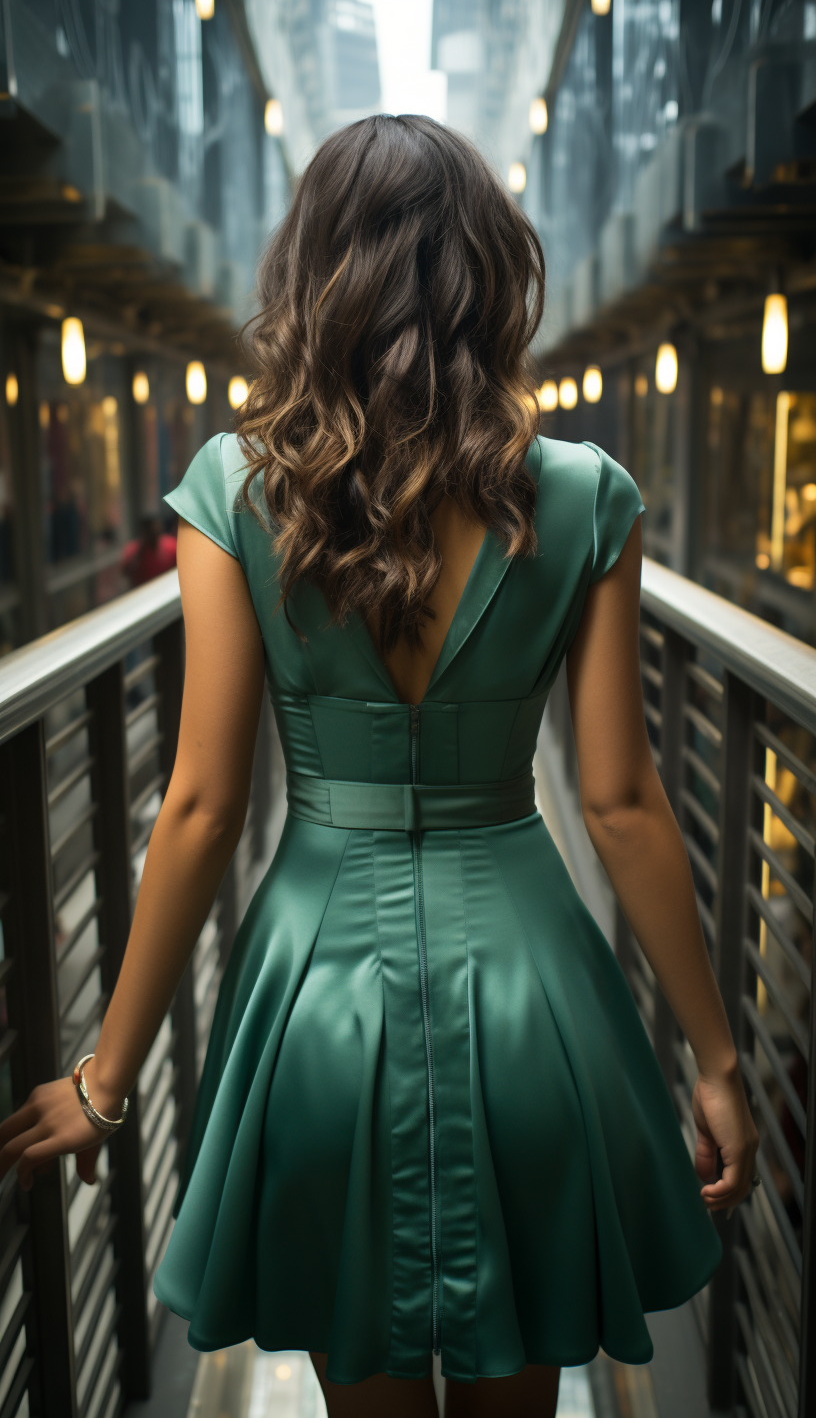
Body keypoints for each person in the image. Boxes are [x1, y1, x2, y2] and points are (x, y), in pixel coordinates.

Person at [0, 115, 758, 1418]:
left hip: (317, 1003)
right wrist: (715, 1059)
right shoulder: (581, 494)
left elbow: (201, 803)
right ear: (493, 273)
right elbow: (624, 804)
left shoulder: (239, 489)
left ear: (313, 277)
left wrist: (107, 1081)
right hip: (534, 998)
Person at [120, 511, 178, 587]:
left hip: (169, 588)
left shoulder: (171, 545)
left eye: (155, 529)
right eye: (149, 530)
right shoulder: (133, 550)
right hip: (144, 592)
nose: (153, 532)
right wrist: (140, 552)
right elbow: (126, 573)